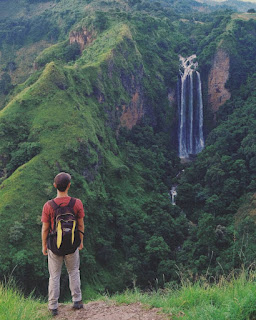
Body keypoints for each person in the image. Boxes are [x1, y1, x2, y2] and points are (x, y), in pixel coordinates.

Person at [41, 172, 85, 317]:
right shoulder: (76, 203)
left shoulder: (49, 206)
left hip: (54, 246)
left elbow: (45, 228)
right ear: (69, 186)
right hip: (72, 244)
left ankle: (53, 306)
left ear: (55, 186)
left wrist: (44, 245)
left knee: (54, 276)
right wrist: (81, 241)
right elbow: (80, 224)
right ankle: (77, 300)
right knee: (74, 271)